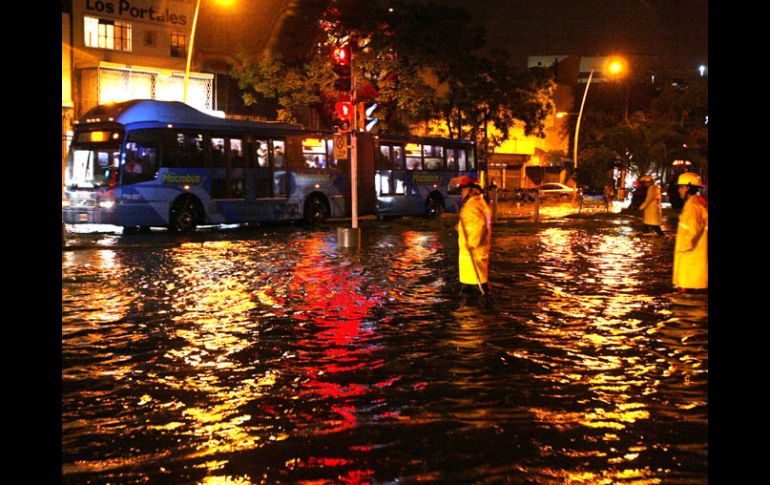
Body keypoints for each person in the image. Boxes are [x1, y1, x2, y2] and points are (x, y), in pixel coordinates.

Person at [455, 176, 493, 297]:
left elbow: (478, 226)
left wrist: (471, 243)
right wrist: (459, 226)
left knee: (472, 289)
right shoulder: (478, 203)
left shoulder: (472, 206)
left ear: (472, 190)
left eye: (464, 189)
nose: (462, 192)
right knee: (478, 285)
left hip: (472, 256)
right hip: (476, 255)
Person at [673, 172, 708, 292]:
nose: (679, 190)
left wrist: (682, 247)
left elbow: (693, 230)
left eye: (680, 187)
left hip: (690, 262)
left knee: (686, 301)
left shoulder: (693, 206)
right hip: (693, 261)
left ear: (688, 187)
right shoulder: (697, 203)